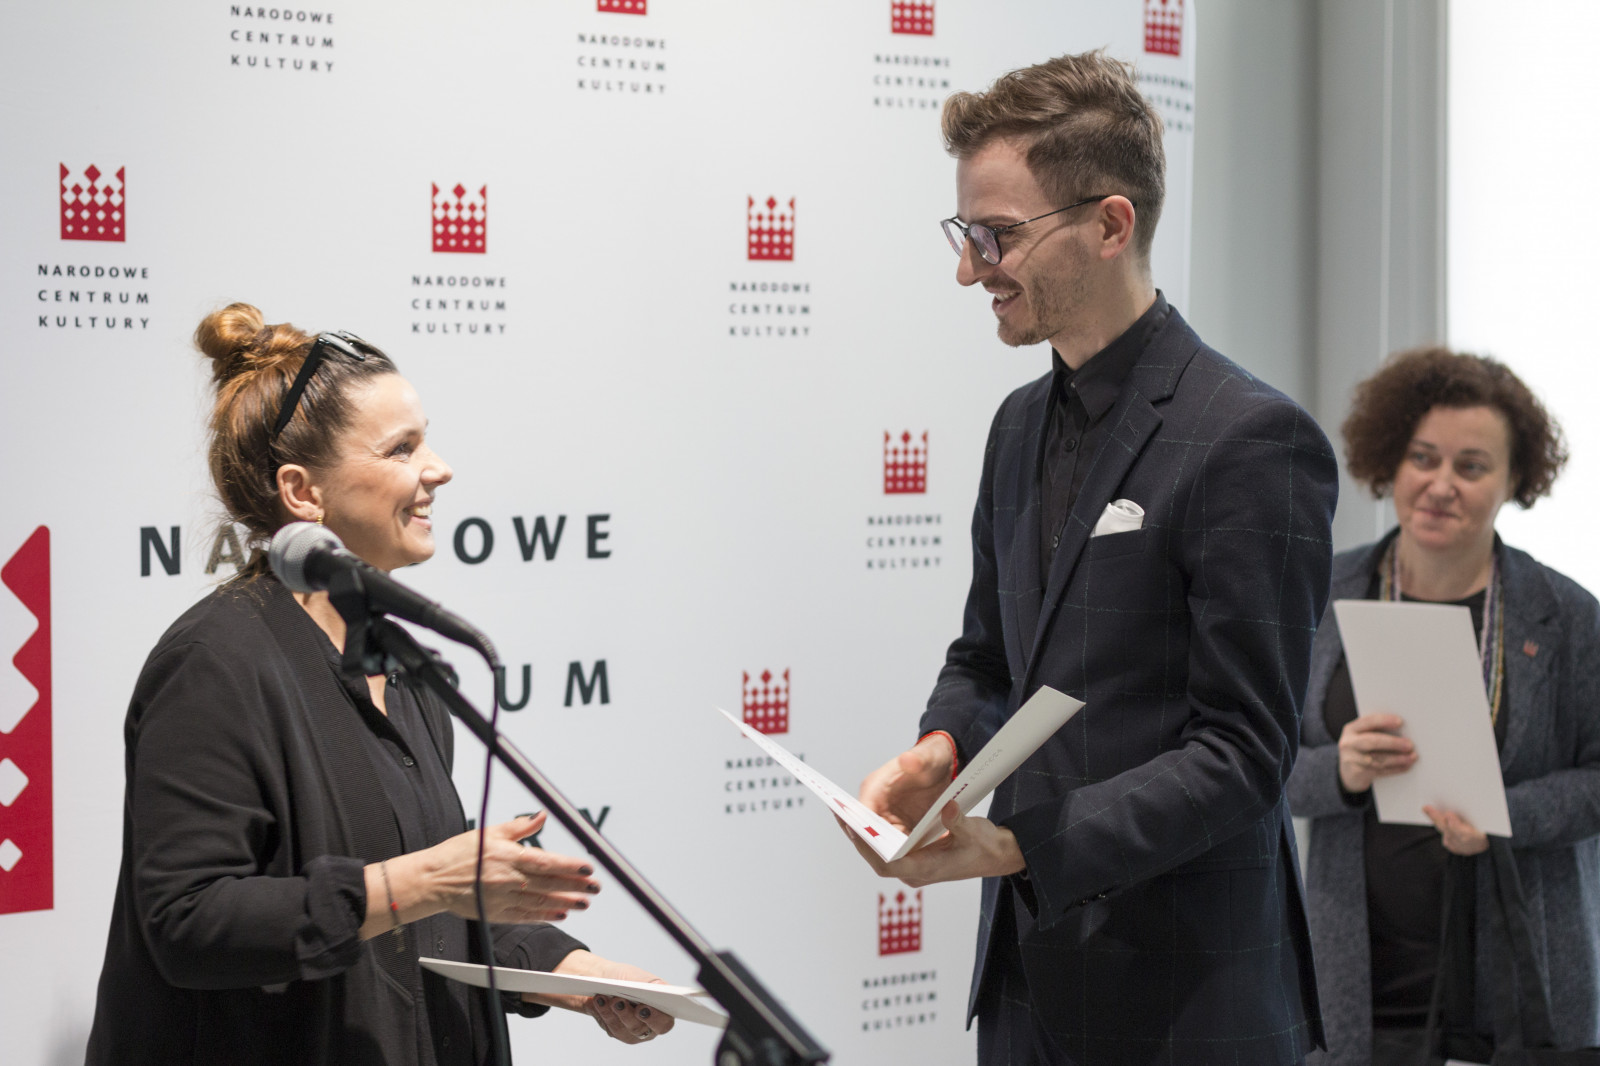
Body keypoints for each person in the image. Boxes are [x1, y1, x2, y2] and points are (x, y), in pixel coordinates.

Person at [849, 51, 1337, 1065]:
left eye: (996, 235)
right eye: (965, 235)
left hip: (1189, 1002)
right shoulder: (1016, 424)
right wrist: (941, 751)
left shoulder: (1250, 439)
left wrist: (1018, 844)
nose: (970, 268)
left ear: (1111, 225)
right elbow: (990, 658)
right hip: (1026, 985)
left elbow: (1245, 752)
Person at [86, 303, 676, 1065]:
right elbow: (189, 922)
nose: (439, 468)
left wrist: (575, 974)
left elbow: (420, 909)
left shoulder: (398, 662)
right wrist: (427, 879)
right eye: (402, 448)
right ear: (303, 492)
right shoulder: (214, 661)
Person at [1286, 348, 1600, 1065]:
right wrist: (1340, 772)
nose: (1440, 485)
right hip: (1360, 981)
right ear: (1391, 462)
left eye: (1472, 466)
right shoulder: (1320, 595)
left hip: (1518, 981)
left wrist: (1505, 816)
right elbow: (1260, 762)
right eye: (1422, 458)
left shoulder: (1567, 617)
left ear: (1515, 479)